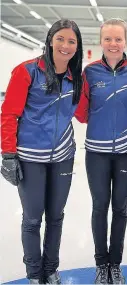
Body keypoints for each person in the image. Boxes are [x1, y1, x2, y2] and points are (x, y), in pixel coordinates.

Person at [1, 19, 83, 284]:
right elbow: (9, 114)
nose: (65, 45)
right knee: (33, 218)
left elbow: (82, 113)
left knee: (56, 217)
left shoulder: (76, 78)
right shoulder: (26, 72)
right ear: (50, 40)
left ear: (77, 46)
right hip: (30, 157)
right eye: (60, 39)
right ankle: (34, 274)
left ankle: (50, 268)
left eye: (71, 41)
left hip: (62, 157)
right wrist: (8, 155)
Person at [74, 18, 127, 284]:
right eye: (108, 39)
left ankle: (115, 264)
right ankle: (101, 263)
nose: (113, 44)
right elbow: (80, 112)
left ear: (126, 41)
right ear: (100, 41)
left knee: (121, 208)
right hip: (97, 152)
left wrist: (123, 125)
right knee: (100, 206)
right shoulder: (89, 73)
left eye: (118, 39)